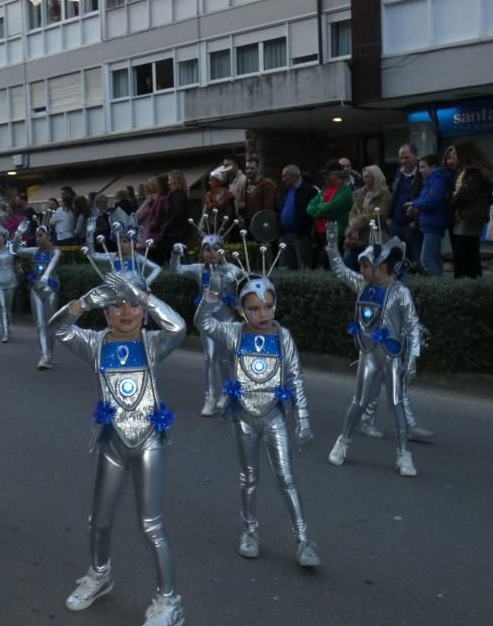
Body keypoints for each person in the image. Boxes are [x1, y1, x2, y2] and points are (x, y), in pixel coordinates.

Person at [50, 272, 186, 626]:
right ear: (105, 311)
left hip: (148, 443)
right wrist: (88, 300)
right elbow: (58, 327)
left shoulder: (153, 343)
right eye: (116, 303)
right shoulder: (94, 344)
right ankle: (99, 573)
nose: (125, 311)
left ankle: (170, 601)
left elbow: (178, 327)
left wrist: (143, 296)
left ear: (143, 309)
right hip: (112, 444)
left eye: (132, 304)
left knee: (151, 526)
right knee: (99, 520)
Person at [196, 268, 320, 568]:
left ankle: (303, 540)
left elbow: (295, 378)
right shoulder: (234, 332)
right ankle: (249, 532)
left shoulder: (282, 336)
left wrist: (303, 418)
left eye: (268, 307)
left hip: (274, 416)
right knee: (249, 478)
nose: (262, 314)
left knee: (286, 479)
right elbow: (203, 322)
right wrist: (211, 295)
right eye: (253, 309)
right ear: (241, 310)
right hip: (243, 418)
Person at [325, 223, 422, 477]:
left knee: (396, 404)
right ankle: (342, 443)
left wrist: (411, 360)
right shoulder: (362, 286)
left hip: (392, 356)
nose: (362, 270)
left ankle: (404, 455)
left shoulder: (400, 292)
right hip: (367, 354)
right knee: (358, 402)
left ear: (382, 266)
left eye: (366, 265)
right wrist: (332, 243)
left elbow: (412, 326)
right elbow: (338, 269)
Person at [170, 219, 245, 417]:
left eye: (216, 248)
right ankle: (210, 397)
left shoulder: (233, 270)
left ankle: (228, 392)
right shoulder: (198, 269)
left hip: (227, 320)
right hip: (206, 320)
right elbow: (175, 270)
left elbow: (247, 286)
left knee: (225, 358)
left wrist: (238, 296)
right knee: (209, 358)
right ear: (202, 252)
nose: (211, 253)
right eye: (207, 249)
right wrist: (175, 254)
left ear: (222, 250)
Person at [15, 224, 61, 369]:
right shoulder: (34, 251)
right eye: (36, 236)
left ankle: (50, 354)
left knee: (50, 325)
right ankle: (45, 356)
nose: (38, 239)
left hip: (50, 290)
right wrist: (18, 234)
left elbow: (52, 264)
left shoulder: (56, 252)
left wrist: (46, 276)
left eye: (41, 235)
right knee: (40, 325)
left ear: (49, 236)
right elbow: (17, 250)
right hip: (35, 290)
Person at [449, 140, 493, 279]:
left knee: (462, 252)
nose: (454, 158)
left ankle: (465, 282)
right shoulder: (471, 171)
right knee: (470, 251)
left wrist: (450, 202)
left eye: (457, 154)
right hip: (470, 215)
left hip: (470, 215)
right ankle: (473, 280)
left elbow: (465, 193)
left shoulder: (473, 172)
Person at [405, 153, 452, 277]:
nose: (420, 170)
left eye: (423, 167)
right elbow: (426, 199)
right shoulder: (431, 180)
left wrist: (414, 203)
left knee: (426, 259)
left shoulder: (437, 179)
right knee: (434, 259)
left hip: (433, 223)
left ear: (433, 166)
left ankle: (437, 288)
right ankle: (439, 287)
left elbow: (432, 199)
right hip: (430, 222)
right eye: (419, 167)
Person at [343, 165, 391, 271]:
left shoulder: (384, 194)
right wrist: (353, 226)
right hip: (358, 235)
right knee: (348, 262)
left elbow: (379, 214)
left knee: (371, 265)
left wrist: (358, 223)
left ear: (375, 177)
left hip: (375, 234)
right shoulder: (361, 193)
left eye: (367, 177)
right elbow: (353, 211)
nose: (364, 180)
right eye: (364, 177)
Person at [307, 161, 354, 269]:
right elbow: (309, 207)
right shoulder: (325, 189)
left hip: (336, 236)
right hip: (320, 233)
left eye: (327, 174)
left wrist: (319, 209)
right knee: (318, 264)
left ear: (337, 174)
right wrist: (323, 210)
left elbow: (332, 207)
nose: (325, 176)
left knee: (329, 265)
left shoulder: (346, 192)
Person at [388, 143, 423, 268]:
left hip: (412, 224)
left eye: (407, 157)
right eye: (401, 158)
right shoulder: (399, 173)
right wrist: (389, 217)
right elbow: (394, 196)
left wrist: (416, 220)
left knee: (418, 258)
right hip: (396, 223)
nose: (403, 161)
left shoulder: (421, 174)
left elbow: (423, 199)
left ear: (416, 156)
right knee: (396, 260)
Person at [277, 165, 319, 270]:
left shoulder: (309, 191)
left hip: (301, 237)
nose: (283, 180)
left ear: (293, 176)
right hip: (285, 236)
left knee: (303, 266)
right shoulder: (285, 192)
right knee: (285, 266)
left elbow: (313, 214)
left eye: (285, 176)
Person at [154, 170, 191, 264]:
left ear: (176, 180)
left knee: (177, 258)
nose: (168, 182)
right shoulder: (180, 195)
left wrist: (166, 225)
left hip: (176, 233)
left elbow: (176, 214)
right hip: (177, 232)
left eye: (170, 179)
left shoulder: (178, 195)